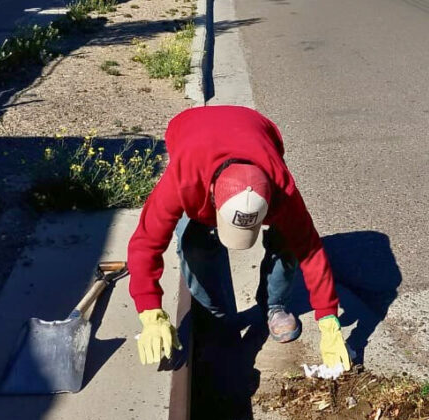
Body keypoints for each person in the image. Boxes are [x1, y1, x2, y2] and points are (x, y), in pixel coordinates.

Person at [127, 105, 351, 372]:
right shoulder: (184, 180)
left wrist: (328, 320)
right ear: (211, 196)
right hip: (191, 132)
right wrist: (150, 312)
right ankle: (219, 318)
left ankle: (274, 304)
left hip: (256, 129)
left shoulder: (282, 189)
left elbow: (311, 251)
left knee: (289, 240)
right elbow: (145, 243)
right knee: (193, 245)